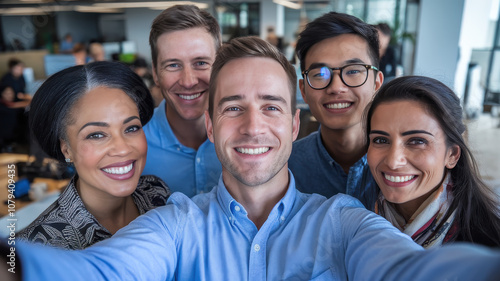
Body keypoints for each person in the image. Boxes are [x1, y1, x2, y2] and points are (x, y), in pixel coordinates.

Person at [10, 36, 500, 281]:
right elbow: (100, 272)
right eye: (232, 108)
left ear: (292, 126)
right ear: (210, 125)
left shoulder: (344, 220)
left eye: (270, 106)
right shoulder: (174, 222)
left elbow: (408, 270)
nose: (251, 126)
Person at [16, 61, 171, 250]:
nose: (122, 149)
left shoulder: (156, 192)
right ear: (66, 149)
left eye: (131, 128)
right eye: (96, 135)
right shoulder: (37, 249)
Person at [365, 75, 500, 248]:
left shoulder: (488, 248)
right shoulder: (352, 219)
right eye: (381, 140)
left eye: (417, 141)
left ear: (452, 155)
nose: (393, 162)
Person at [289, 12, 383, 209]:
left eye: (353, 71)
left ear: (376, 83)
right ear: (303, 90)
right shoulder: (285, 168)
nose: (336, 87)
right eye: (320, 74)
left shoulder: (400, 166)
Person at [142, 5, 222, 197]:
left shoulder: (245, 139)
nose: (188, 81)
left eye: (201, 63)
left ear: (220, 65)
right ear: (155, 72)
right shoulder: (133, 147)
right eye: (173, 65)